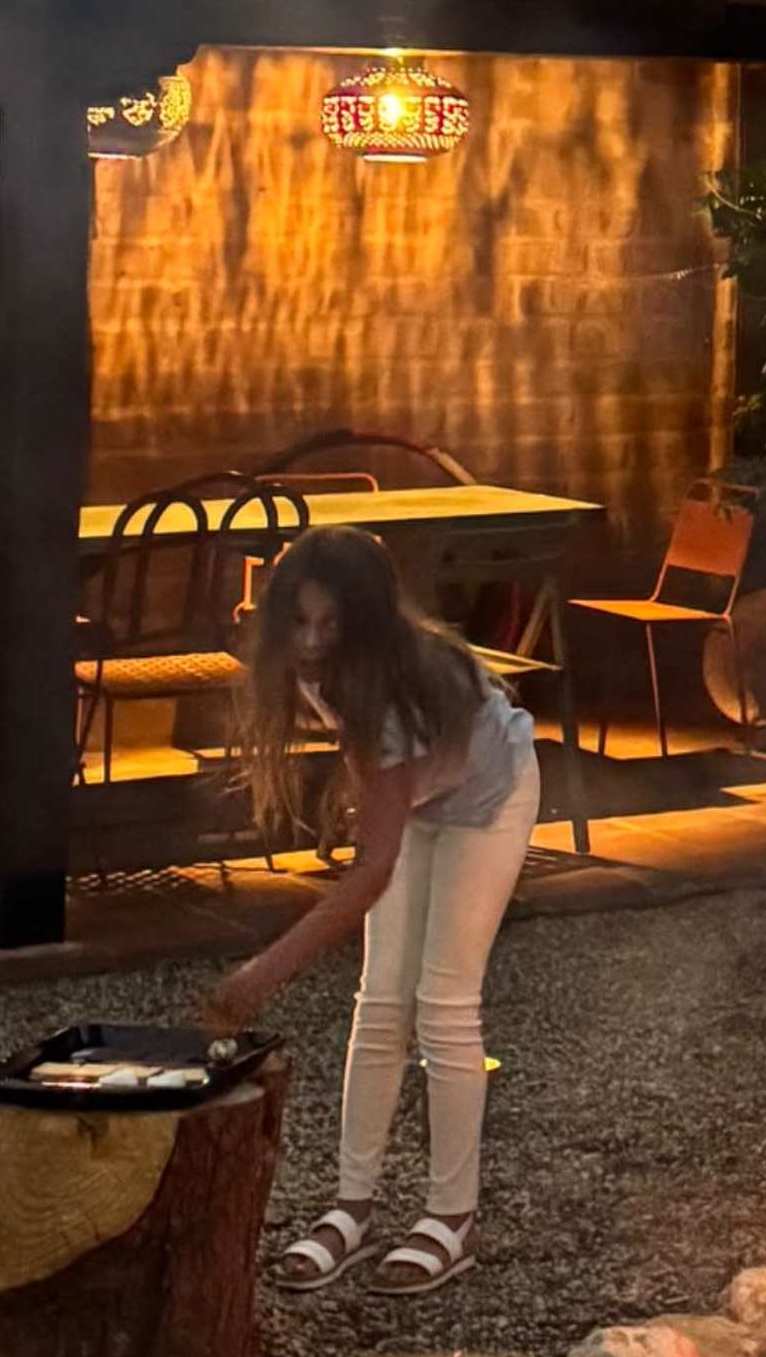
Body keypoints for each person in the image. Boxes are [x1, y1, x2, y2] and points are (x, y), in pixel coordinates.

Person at [204, 535, 543, 1297]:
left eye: (332, 626)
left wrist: (265, 971)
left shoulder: (398, 683)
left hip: (490, 796)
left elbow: (371, 872)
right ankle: (351, 1209)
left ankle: (450, 1219)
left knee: (444, 1004)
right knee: (379, 1003)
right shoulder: (320, 670)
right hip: (421, 793)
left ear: (368, 625)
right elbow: (380, 800)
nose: (314, 643)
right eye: (300, 623)